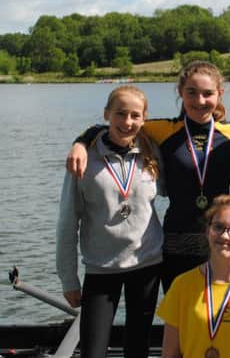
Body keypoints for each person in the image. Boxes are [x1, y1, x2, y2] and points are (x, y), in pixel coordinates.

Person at [65, 61, 230, 290]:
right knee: (178, 314)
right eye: (192, 93)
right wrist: (81, 142)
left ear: (220, 94)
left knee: (219, 313)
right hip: (175, 241)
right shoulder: (161, 130)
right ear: (180, 93)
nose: (199, 101)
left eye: (208, 94)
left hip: (221, 239)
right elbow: (118, 126)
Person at [56, 85, 164, 358]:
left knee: (138, 348)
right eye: (120, 114)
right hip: (102, 268)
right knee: (93, 352)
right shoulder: (83, 159)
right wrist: (68, 278)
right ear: (106, 114)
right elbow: (68, 222)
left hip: (147, 263)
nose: (127, 122)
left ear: (144, 118)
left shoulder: (152, 151)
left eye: (134, 115)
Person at [157, 194, 230, 358]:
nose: (225, 236)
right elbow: (169, 354)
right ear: (207, 231)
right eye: (218, 227)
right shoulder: (182, 284)